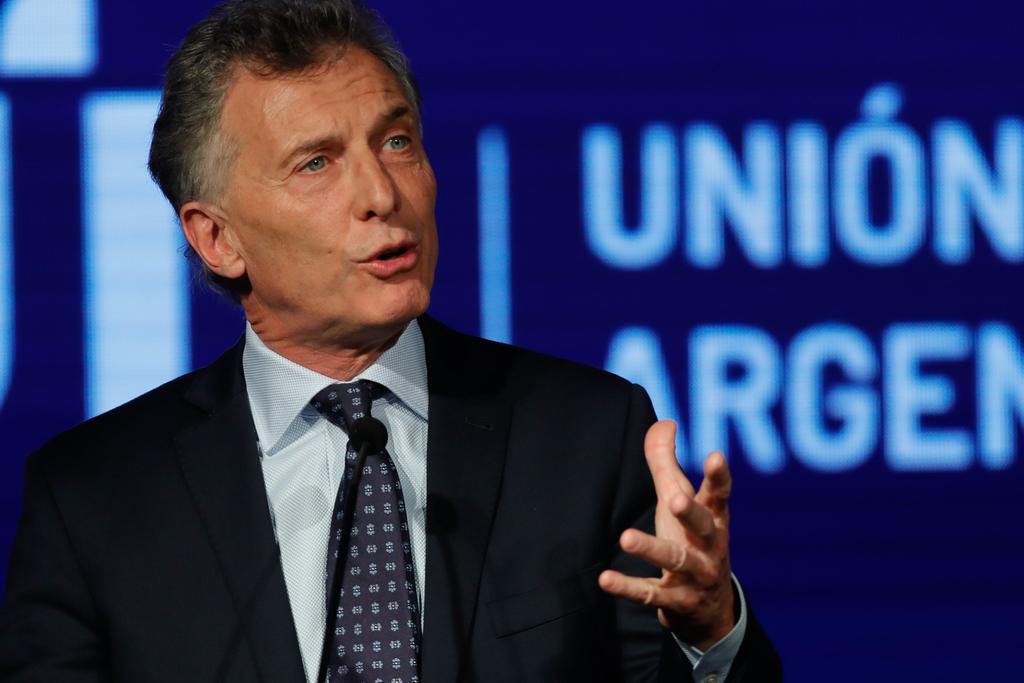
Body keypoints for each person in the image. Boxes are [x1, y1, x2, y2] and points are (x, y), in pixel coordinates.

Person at [0, 1, 781, 681]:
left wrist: (710, 630)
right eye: (316, 163)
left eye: (397, 141)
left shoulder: (587, 437)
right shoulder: (94, 500)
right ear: (217, 238)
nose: (381, 193)